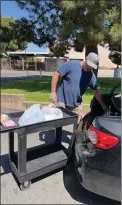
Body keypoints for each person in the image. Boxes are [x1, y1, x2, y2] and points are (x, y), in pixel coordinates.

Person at [50, 52, 107, 124]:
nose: (89, 67)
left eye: (92, 66)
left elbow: (96, 91)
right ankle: (58, 135)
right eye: (88, 64)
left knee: (80, 122)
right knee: (58, 122)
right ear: (86, 59)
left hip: (76, 102)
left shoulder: (91, 76)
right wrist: (53, 92)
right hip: (61, 99)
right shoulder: (72, 64)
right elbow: (56, 74)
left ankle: (76, 135)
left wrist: (103, 106)